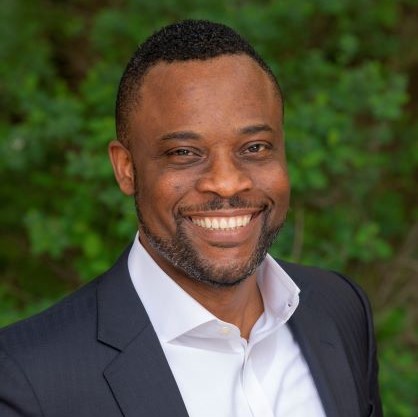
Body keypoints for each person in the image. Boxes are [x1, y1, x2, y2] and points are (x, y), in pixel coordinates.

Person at [0, 19, 382, 417]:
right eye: (184, 153)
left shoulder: (340, 308)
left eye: (254, 147)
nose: (227, 183)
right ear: (126, 168)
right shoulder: (27, 379)